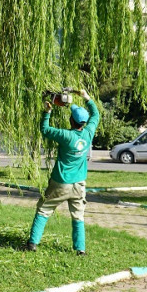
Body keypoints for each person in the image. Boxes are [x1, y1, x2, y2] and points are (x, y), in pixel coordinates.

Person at [24, 88, 99, 255]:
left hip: (61, 182)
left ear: (71, 120)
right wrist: (86, 97)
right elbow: (96, 115)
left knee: (43, 210)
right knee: (78, 216)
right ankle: (80, 249)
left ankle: (32, 244)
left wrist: (47, 112)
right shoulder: (88, 133)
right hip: (79, 184)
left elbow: (45, 129)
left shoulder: (65, 136)